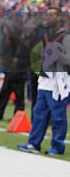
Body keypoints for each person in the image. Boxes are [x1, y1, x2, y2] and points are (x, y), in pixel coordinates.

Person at [18, 9, 69, 155]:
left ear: (59, 17)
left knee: (58, 115)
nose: (48, 16)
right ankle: (34, 143)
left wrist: (56, 56)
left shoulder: (66, 36)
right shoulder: (45, 35)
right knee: (39, 112)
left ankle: (57, 146)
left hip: (59, 80)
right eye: (48, 14)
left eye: (52, 15)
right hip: (45, 78)